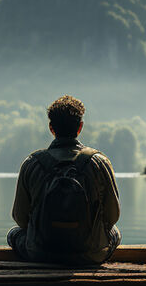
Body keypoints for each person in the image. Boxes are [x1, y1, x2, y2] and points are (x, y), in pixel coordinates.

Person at [8, 95, 121, 264]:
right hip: (90, 254)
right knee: (115, 233)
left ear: (51, 128)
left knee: (13, 233)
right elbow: (113, 217)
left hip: (40, 253)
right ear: (80, 127)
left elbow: (20, 219)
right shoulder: (99, 162)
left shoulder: (32, 163)